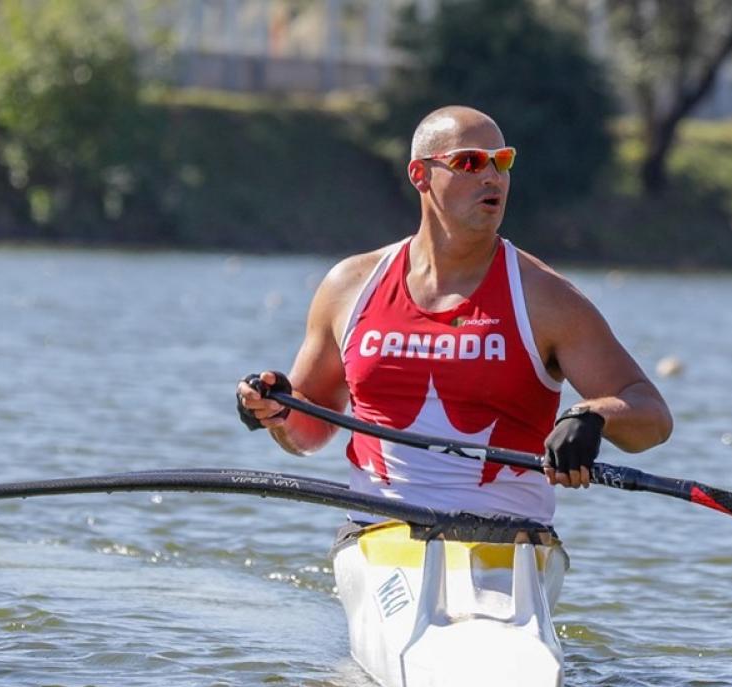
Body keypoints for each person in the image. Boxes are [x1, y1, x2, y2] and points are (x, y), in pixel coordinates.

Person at [236, 105, 671, 525]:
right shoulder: (348, 286)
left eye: (501, 162)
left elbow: (652, 415)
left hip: (509, 544)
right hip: (378, 538)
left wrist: (593, 416)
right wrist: (276, 410)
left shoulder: (546, 298)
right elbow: (310, 427)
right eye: (469, 162)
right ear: (420, 175)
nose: (491, 176)